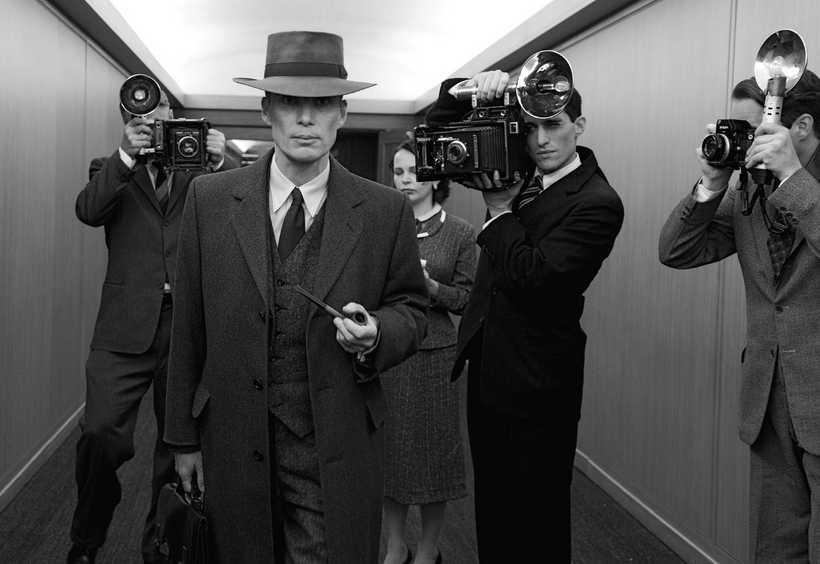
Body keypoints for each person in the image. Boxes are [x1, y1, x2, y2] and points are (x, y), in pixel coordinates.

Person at [163, 31, 428, 564]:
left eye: (322, 103)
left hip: (335, 440)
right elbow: (188, 323)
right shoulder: (209, 201)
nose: (305, 119)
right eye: (289, 102)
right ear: (266, 111)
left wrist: (378, 331)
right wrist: (181, 438)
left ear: (342, 114)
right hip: (235, 435)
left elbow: (413, 311)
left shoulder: (383, 211)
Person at [427, 69, 624, 563]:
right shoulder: (516, 165)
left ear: (579, 125)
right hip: (488, 367)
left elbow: (534, 278)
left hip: (539, 382)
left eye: (553, 125)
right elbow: (438, 137)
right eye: (530, 126)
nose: (540, 140)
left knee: (536, 520)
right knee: (492, 511)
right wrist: (467, 88)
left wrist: (498, 210)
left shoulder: (598, 202)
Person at [659, 71, 820, 562]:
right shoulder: (748, 194)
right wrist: (710, 185)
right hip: (769, 397)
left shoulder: (793, 187)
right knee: (773, 547)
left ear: (800, 127)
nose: (743, 143)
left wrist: (793, 179)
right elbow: (676, 251)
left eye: (752, 131)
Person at [69, 89, 235, 564]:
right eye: (145, 111)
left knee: (175, 446)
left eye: (165, 108)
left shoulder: (198, 168)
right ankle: (87, 539)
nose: (158, 117)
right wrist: (126, 155)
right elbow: (88, 211)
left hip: (184, 324)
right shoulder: (108, 167)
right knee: (100, 435)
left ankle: (161, 547)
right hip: (122, 327)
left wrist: (219, 166)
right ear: (127, 119)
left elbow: (239, 216)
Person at [382, 140, 475, 564]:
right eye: (398, 172)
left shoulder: (459, 232)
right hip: (390, 354)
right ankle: (395, 544)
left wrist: (433, 289)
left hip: (436, 354)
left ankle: (430, 547)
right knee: (391, 453)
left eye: (413, 172)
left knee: (434, 454)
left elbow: (471, 301)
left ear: (436, 178)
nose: (404, 180)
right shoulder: (382, 225)